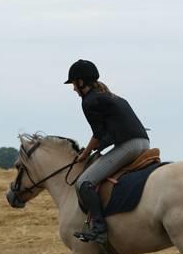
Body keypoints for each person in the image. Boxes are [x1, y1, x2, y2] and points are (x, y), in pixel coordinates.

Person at [64, 59, 150, 243]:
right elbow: (107, 134)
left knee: (84, 182)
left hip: (129, 146)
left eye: (73, 84)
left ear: (81, 82)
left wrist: (84, 155)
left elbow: (97, 135)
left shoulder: (90, 101)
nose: (73, 89)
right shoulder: (111, 96)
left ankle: (99, 228)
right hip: (143, 143)